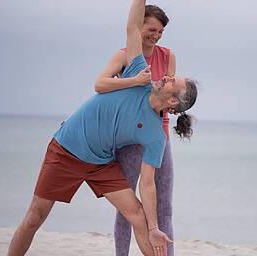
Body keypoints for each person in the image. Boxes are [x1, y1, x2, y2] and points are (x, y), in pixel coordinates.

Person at [7, 0, 198, 256]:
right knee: (35, 217)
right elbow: (131, 27)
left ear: (173, 100)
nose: (166, 75)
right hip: (67, 149)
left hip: (101, 162)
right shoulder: (139, 71)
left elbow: (148, 185)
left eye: (172, 80)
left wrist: (154, 227)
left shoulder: (155, 135)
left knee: (139, 217)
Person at [94, 4, 177, 256]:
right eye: (152, 29)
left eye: (161, 31)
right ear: (140, 27)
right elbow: (99, 84)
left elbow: (169, 96)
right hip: (130, 138)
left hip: (158, 136)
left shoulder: (168, 56)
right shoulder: (124, 56)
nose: (156, 35)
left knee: (164, 208)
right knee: (128, 208)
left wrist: (174, 108)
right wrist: (133, 81)